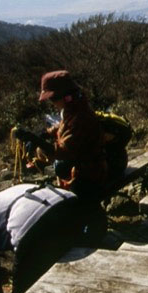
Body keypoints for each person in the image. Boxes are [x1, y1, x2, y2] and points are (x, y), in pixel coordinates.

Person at [14, 70, 107, 201]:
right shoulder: (75, 108)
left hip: (89, 175)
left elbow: (63, 151)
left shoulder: (80, 117)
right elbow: (64, 126)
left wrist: (36, 140)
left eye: (53, 98)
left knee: (60, 166)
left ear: (66, 97)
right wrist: (45, 133)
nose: (52, 102)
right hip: (85, 168)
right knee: (59, 166)